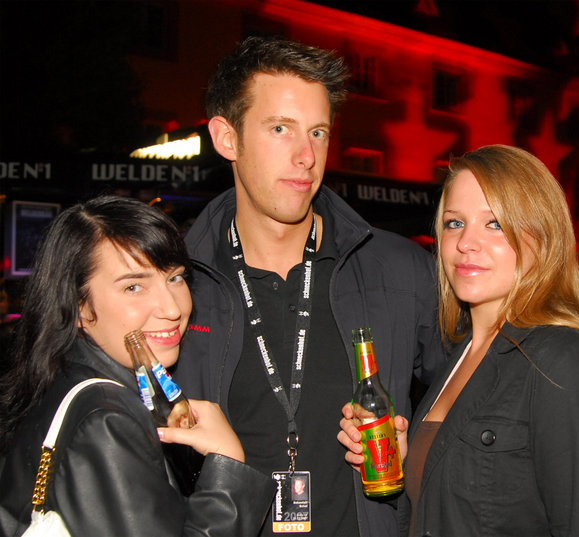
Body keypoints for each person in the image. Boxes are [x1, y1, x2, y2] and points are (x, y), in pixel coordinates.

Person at [171, 36, 446, 537]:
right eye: (281, 128)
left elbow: (479, 402)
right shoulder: (177, 285)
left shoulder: (400, 271)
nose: (306, 156)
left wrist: (421, 453)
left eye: (318, 132)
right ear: (227, 138)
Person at [339, 145, 579, 536]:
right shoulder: (460, 355)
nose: (465, 242)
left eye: (494, 223)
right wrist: (400, 462)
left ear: (543, 238)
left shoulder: (564, 359)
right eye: (454, 223)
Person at [0, 196, 271, 536]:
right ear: (78, 305)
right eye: (133, 286)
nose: (172, 309)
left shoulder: (58, 378)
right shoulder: (106, 420)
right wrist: (228, 469)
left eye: (175, 278)